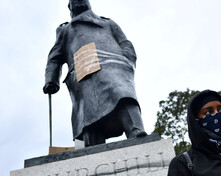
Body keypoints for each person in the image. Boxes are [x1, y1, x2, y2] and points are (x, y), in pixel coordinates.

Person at [43, 0, 146, 147]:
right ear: (70, 7)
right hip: (83, 70)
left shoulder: (108, 23)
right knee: (87, 115)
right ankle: (89, 147)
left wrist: (127, 58)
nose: (78, 1)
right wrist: (51, 80)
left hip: (113, 64)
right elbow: (54, 57)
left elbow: (125, 42)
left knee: (122, 93)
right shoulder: (65, 30)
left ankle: (135, 130)